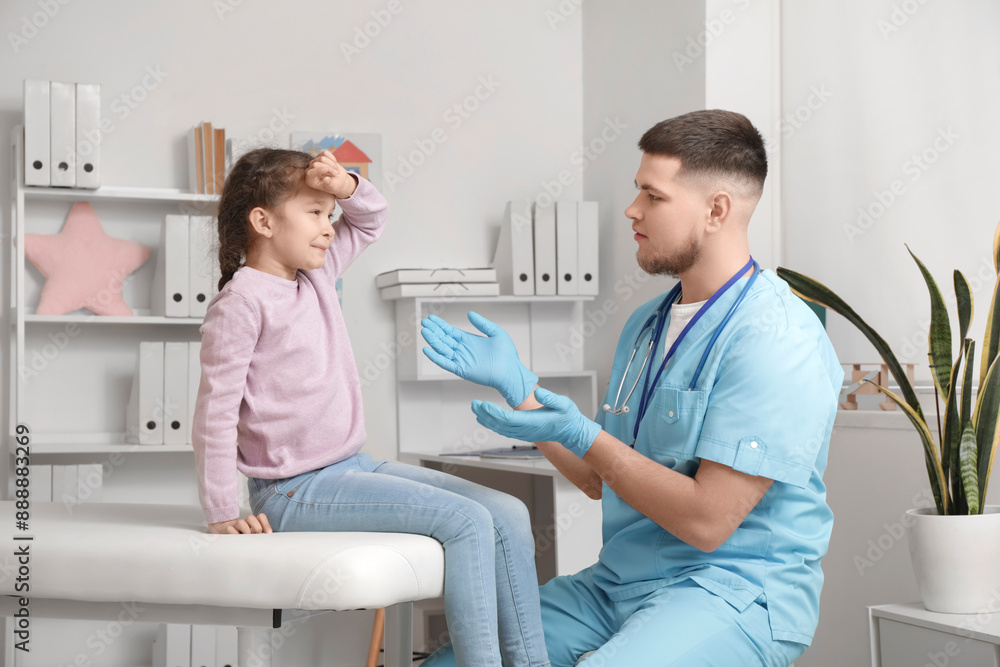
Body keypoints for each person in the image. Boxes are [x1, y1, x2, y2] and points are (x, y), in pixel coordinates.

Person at [419, 110, 844, 666]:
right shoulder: (647, 325)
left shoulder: (778, 338)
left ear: (717, 210)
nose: (631, 210)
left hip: (731, 591)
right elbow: (601, 477)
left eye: (653, 195)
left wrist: (579, 431)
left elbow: (709, 520)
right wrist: (521, 389)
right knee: (463, 660)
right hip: (617, 585)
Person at [191, 148, 550, 667]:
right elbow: (214, 415)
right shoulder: (241, 303)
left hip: (350, 467)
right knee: (469, 522)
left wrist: (346, 184)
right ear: (263, 221)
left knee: (509, 513)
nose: (329, 226)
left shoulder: (315, 275)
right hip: (292, 490)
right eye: (314, 213)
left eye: (329, 213)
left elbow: (371, 218)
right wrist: (224, 511)